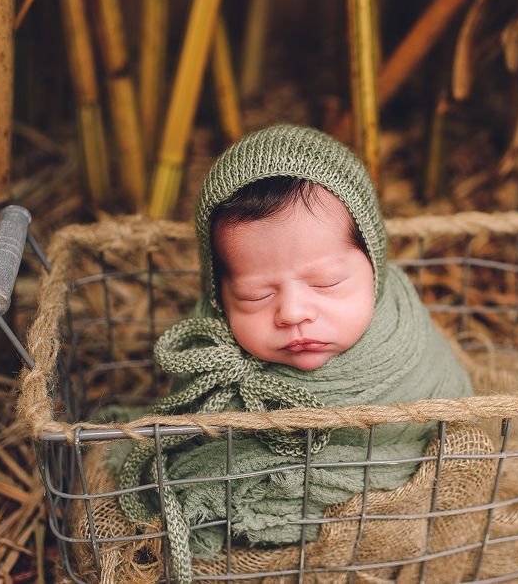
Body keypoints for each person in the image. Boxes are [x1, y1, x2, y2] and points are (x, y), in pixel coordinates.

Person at [115, 125, 473, 583]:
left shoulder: (404, 343)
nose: (293, 313)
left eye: (325, 284)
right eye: (254, 295)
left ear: (374, 266)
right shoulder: (213, 351)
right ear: (219, 295)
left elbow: (443, 426)